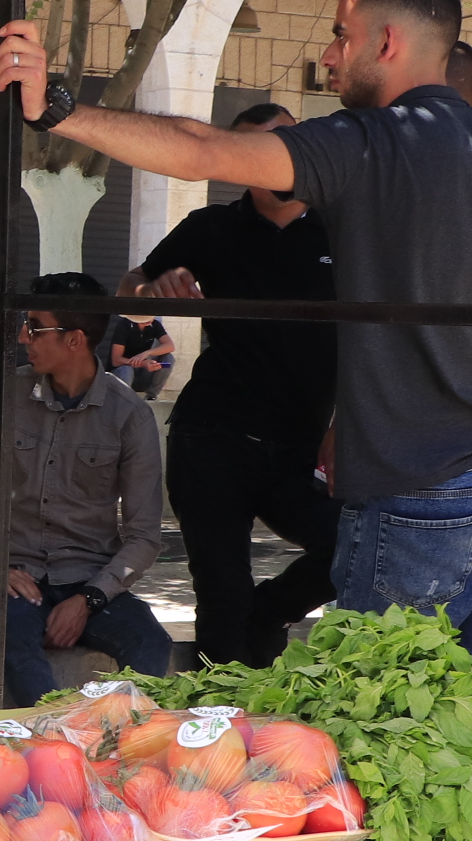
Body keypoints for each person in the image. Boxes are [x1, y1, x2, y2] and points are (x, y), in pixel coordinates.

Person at [0, 0, 472, 661]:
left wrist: (56, 108)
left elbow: (203, 149)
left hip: (423, 505)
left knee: (380, 749)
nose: (330, 57)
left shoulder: (366, 144)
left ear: (387, 42)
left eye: (341, 33)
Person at [124, 104, 342, 666]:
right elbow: (133, 290)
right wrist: (156, 287)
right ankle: (219, 736)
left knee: (357, 546)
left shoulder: (346, 232)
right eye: (253, 150)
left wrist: (348, 426)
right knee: (222, 601)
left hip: (300, 446)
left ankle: (271, 611)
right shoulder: (212, 228)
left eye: (282, 145)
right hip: (213, 438)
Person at [0, 274, 173, 696]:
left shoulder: (130, 415)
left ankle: (117, 748)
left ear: (74, 339)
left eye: (35, 326)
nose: (23, 337)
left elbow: (145, 536)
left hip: (93, 579)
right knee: (11, 646)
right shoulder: (5, 396)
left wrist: (90, 598)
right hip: (17, 578)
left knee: (151, 643)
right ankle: (44, 749)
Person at [107, 314, 174, 395]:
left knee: (168, 359)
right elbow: (116, 360)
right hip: (123, 373)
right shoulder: (124, 325)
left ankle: (152, 396)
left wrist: (146, 353)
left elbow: (170, 346)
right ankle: (125, 399)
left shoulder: (154, 325)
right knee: (126, 370)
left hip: (143, 373)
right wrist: (142, 363)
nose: (147, 320)